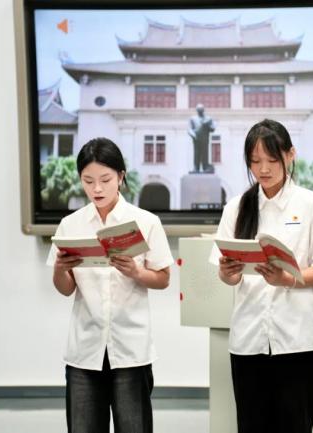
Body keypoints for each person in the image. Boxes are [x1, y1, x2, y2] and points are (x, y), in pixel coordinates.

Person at [210, 119, 313, 433]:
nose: (263, 169)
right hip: (249, 340)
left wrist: (289, 279)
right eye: (255, 161)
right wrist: (228, 273)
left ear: (290, 154)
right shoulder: (237, 207)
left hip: (297, 341)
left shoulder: (312, 205)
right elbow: (227, 275)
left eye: (271, 159)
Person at [47, 137, 173, 433]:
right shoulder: (71, 224)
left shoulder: (145, 221)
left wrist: (136, 272)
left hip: (130, 348)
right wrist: (60, 269)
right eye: (88, 181)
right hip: (84, 349)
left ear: (121, 176)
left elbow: (163, 278)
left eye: (105, 180)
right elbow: (65, 289)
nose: (97, 189)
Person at [188, 103, 216, 173]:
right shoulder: (193, 119)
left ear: (203, 110)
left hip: (205, 139)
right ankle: (196, 167)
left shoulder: (208, 119)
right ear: (197, 110)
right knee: (196, 153)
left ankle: (205, 167)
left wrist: (207, 125)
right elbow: (189, 129)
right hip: (196, 139)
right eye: (199, 110)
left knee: (205, 153)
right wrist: (193, 135)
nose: (200, 111)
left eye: (201, 110)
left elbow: (213, 128)